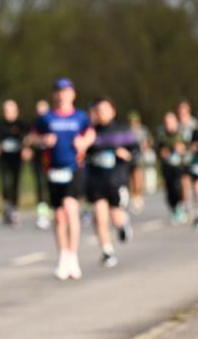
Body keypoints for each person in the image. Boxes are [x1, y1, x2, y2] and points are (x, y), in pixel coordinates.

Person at [32, 78, 94, 280]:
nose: (62, 95)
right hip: (53, 169)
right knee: (59, 216)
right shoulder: (46, 118)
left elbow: (91, 133)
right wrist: (42, 140)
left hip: (74, 167)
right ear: (54, 95)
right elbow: (31, 138)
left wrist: (83, 142)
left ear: (73, 94)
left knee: (70, 207)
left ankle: (73, 256)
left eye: (66, 91)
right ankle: (63, 256)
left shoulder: (80, 117)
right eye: (59, 91)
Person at [85, 98, 137, 267]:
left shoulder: (123, 130)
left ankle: (123, 224)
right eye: (98, 110)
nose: (101, 113)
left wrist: (126, 154)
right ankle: (107, 252)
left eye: (105, 109)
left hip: (116, 180)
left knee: (116, 216)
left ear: (113, 111)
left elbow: (135, 151)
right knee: (99, 217)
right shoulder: (90, 131)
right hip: (96, 180)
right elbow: (82, 151)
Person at [0, 99, 28, 225]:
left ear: (16, 111)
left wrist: (26, 148)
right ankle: (7, 206)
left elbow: (29, 136)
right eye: (6, 110)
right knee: (4, 182)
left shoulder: (21, 124)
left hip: (16, 158)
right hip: (3, 158)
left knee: (15, 182)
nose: (8, 113)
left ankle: (14, 208)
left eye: (10, 110)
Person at [26, 99, 53, 230]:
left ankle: (53, 209)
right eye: (38, 111)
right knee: (40, 185)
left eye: (43, 111)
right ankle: (43, 214)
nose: (41, 113)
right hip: (38, 158)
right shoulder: (34, 124)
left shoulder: (53, 123)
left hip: (52, 159)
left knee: (51, 185)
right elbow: (29, 139)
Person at [156, 111, 187, 225]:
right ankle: (174, 209)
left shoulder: (182, 134)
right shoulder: (162, 136)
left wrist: (182, 149)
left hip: (180, 166)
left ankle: (181, 207)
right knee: (170, 190)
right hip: (167, 167)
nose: (169, 124)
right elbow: (157, 149)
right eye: (167, 122)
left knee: (179, 186)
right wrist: (162, 152)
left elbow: (189, 146)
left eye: (171, 121)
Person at [176, 98, 198, 217]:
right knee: (184, 181)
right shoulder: (177, 124)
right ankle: (187, 205)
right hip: (182, 159)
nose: (182, 112)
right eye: (180, 109)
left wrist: (191, 147)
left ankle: (197, 204)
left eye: (184, 109)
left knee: (195, 183)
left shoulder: (194, 123)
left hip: (194, 157)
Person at [126, 111, 152, 213]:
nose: (133, 123)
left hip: (139, 158)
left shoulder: (142, 130)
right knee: (130, 179)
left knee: (138, 177)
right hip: (129, 158)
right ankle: (133, 197)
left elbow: (149, 141)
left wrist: (145, 147)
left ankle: (138, 196)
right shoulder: (126, 131)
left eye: (135, 121)